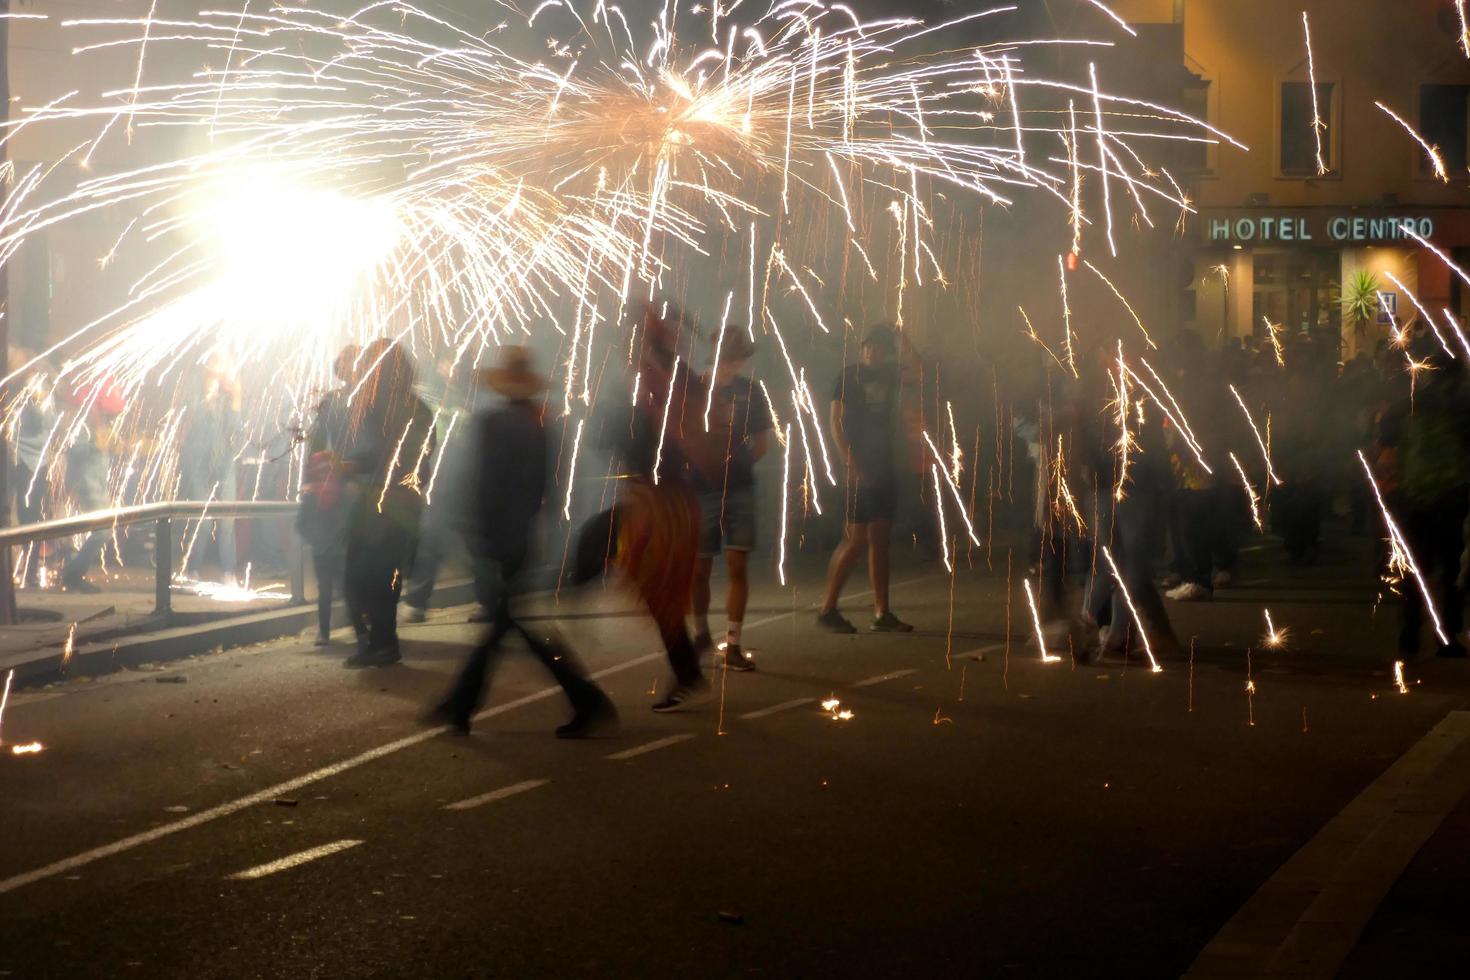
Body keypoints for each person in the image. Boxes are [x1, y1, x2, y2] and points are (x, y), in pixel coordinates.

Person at [427, 347, 617, 737]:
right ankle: (462, 704)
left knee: (508, 624)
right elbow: (551, 487)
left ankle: (583, 700)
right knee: (507, 623)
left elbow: (478, 485)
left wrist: (472, 533)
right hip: (524, 536)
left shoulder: (491, 422)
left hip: (498, 537)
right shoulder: (542, 424)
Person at [601, 305, 717, 711]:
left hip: (663, 503)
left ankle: (687, 669)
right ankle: (687, 667)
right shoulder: (661, 377)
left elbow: (678, 437)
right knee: (655, 590)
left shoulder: (662, 380)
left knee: (658, 590)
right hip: (658, 499)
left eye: (635, 334)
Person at [339, 340, 435, 668]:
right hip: (390, 505)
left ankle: (381, 642)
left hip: (388, 507)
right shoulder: (405, 406)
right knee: (373, 576)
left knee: (372, 576)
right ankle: (379, 641)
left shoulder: (398, 408)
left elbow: (401, 457)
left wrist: (356, 466)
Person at [816, 324, 914, 633]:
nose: (871, 351)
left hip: (885, 464)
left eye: (878, 347)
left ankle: (882, 613)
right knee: (856, 540)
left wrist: (903, 336)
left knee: (880, 541)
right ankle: (828, 609)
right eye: (867, 346)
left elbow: (922, 372)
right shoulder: (848, 375)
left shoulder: (891, 373)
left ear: (887, 351)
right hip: (860, 466)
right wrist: (850, 462)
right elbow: (835, 421)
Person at [691, 326, 772, 671]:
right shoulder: (695, 389)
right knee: (699, 568)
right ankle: (700, 633)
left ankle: (733, 644)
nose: (737, 363)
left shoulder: (751, 392)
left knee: (737, 565)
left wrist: (736, 467)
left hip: (738, 489)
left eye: (740, 357)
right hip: (701, 489)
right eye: (733, 355)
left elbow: (763, 441)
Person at [298, 344, 359, 645]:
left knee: (342, 561)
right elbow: (317, 446)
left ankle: (348, 623)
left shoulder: (367, 402)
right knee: (334, 559)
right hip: (340, 490)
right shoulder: (336, 401)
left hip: (351, 488)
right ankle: (334, 626)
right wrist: (313, 480)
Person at [179, 352, 242, 581]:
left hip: (225, 462)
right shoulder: (195, 388)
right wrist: (210, 395)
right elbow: (194, 415)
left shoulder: (229, 395)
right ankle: (192, 568)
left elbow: (238, 433)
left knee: (227, 520)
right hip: (199, 462)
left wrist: (235, 401)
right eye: (218, 363)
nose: (222, 368)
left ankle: (229, 571)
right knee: (202, 520)